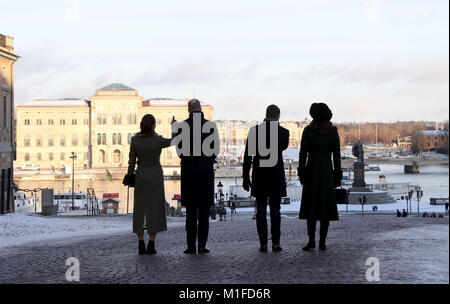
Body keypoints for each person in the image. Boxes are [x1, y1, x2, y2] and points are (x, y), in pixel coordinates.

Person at [243, 105, 290, 253]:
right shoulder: (283, 133)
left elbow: (247, 157)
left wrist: (245, 176)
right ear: (278, 116)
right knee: (276, 209)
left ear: (265, 115)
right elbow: (282, 147)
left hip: (260, 175)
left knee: (261, 209)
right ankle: (276, 243)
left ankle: (263, 243)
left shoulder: (254, 131)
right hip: (276, 175)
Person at [175, 99, 219, 254]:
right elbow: (215, 150)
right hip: (205, 171)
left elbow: (179, 151)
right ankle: (202, 245)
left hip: (189, 173)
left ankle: (190, 246)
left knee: (191, 212)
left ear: (189, 110)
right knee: (204, 211)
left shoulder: (182, 127)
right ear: (201, 110)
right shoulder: (211, 126)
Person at [127, 114, 174, 255]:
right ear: (153, 125)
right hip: (155, 177)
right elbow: (174, 141)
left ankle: (140, 243)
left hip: (141, 177)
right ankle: (151, 244)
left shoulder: (135, 140)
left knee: (140, 210)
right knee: (154, 209)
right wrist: (175, 127)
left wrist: (130, 176)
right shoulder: (158, 140)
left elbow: (131, 161)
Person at [298, 103, 341, 251]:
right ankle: (322, 242)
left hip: (312, 171)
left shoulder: (308, 132)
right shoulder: (333, 132)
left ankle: (311, 241)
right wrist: (337, 175)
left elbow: (303, 154)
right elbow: (337, 157)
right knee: (325, 208)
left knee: (311, 208)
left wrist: (301, 172)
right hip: (327, 172)